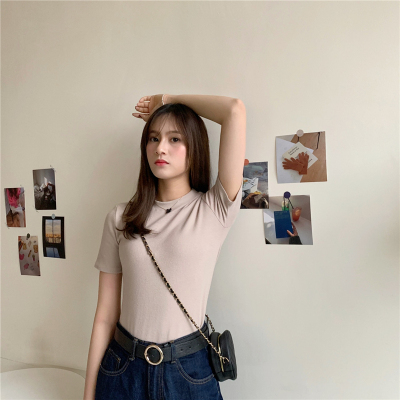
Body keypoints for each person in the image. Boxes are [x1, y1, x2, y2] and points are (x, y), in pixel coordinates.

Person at [84, 94, 246, 400]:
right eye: (154, 138)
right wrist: (88, 393)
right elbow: (105, 316)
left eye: (175, 139)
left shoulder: (214, 209)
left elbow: (234, 111)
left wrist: (167, 100)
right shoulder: (120, 217)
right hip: (122, 369)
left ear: (195, 147)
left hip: (189, 373)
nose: (160, 148)